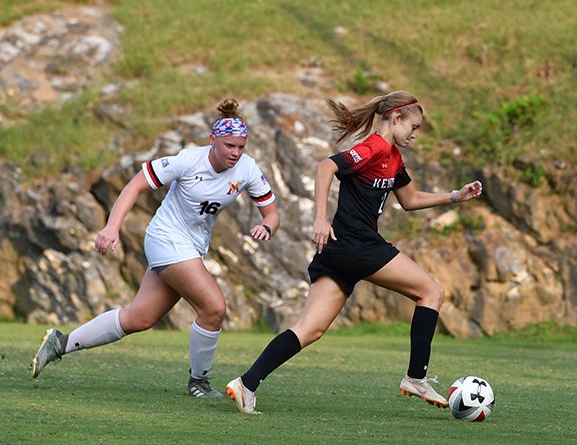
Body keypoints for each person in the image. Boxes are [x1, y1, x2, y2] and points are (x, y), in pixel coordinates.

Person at [225, 90, 483, 414]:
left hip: (338, 251)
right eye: (413, 127)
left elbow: (410, 200)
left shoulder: (393, 157)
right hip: (356, 244)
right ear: (396, 118)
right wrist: (320, 219)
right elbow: (325, 167)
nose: (415, 134)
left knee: (309, 330)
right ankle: (416, 377)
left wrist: (456, 196)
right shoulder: (374, 147)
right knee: (431, 291)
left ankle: (246, 384)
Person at [31, 98, 280, 399]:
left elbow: (272, 213)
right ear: (213, 140)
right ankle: (199, 382)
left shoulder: (247, 168)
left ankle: (60, 343)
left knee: (140, 318)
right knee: (213, 307)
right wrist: (112, 227)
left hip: (191, 247)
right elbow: (135, 185)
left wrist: (267, 226)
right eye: (230, 146)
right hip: (165, 239)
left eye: (241, 147)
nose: (236, 153)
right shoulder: (187, 160)